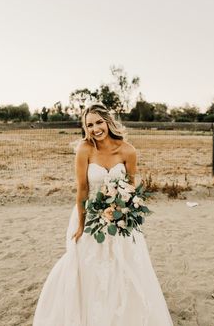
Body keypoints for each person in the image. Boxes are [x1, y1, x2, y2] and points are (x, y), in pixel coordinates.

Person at [33, 103, 174, 326]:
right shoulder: (84, 149)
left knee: (124, 265)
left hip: (121, 217)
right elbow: (82, 189)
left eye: (99, 122)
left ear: (108, 121)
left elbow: (130, 187)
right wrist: (80, 225)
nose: (95, 129)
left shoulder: (128, 150)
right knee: (86, 264)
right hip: (91, 216)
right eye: (89, 125)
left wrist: (126, 211)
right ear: (85, 128)